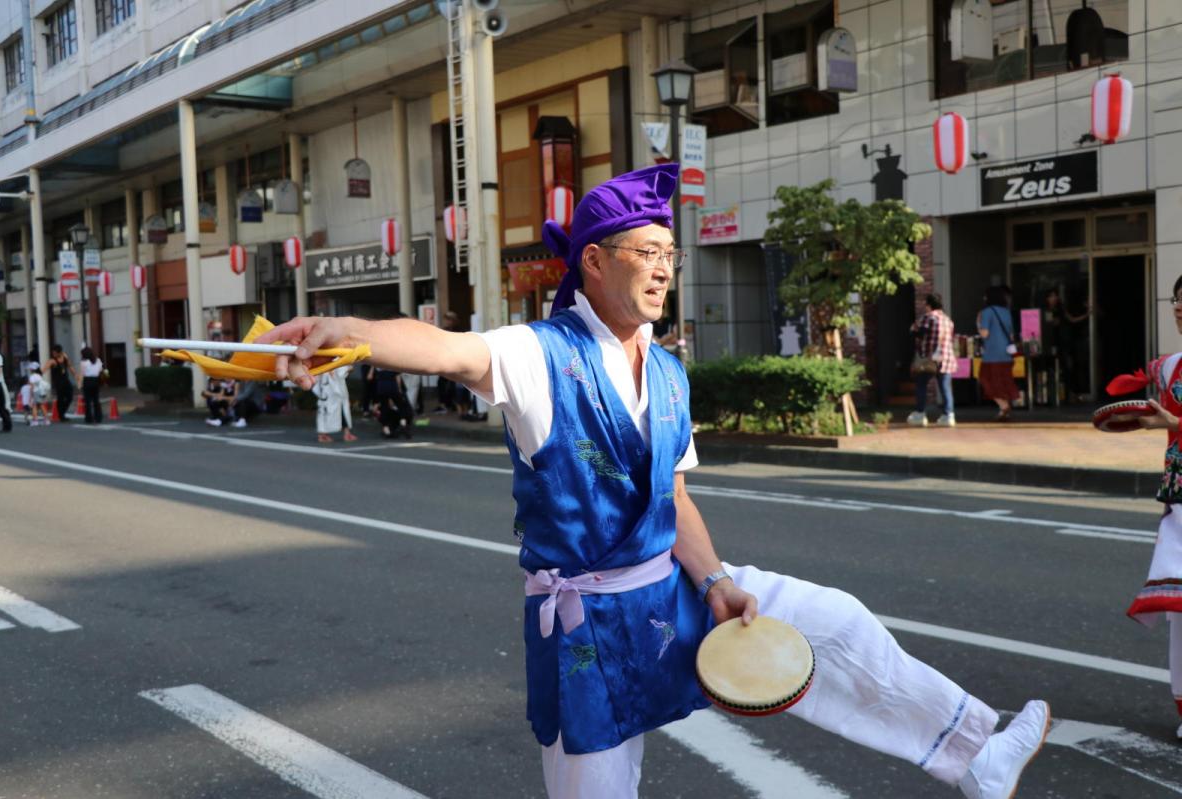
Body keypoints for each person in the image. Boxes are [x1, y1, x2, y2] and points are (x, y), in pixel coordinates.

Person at [257, 164, 1050, 799]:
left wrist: (716, 582)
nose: (665, 270)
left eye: (672, 255)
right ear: (595, 261)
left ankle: (973, 750)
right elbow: (445, 347)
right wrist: (349, 331)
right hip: (588, 625)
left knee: (835, 624)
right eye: (649, 252)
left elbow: (672, 495)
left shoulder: (668, 371)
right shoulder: (541, 353)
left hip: (672, 589)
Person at [1123, 274, 1182, 741]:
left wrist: (1173, 421)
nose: (1180, 308)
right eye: (1177, 300)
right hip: (1179, 499)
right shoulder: (1167, 369)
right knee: (1180, 617)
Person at [908, 293, 957, 427]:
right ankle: (949, 415)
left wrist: (912, 330)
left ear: (928, 305)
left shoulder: (928, 318)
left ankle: (920, 414)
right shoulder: (948, 320)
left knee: (921, 384)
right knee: (945, 387)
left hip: (929, 359)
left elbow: (920, 333)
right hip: (946, 357)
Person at [976, 286, 1021, 422]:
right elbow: (1011, 334)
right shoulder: (1006, 312)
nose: (984, 298)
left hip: (992, 354)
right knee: (1003, 381)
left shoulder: (986, 312)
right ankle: (1003, 410)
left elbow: (985, 333)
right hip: (1006, 354)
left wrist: (978, 323)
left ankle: (1004, 405)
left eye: (985, 296)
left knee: (986, 378)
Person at [1041, 289, 1089, 403]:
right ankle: (1054, 395)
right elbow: (1046, 325)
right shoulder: (1045, 311)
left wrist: (1087, 315)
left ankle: (1070, 394)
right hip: (1051, 342)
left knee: (1068, 367)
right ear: (1046, 299)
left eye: (1055, 296)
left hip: (1065, 342)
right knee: (1052, 368)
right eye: (1051, 296)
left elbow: (1072, 319)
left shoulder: (1061, 309)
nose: (1053, 298)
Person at [313, 364, 357, 443]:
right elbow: (340, 373)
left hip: (327, 389)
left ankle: (345, 433)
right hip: (331, 390)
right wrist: (349, 368)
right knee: (329, 411)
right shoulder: (335, 359)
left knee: (329, 411)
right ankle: (323, 434)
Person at [369, 366, 413, 439]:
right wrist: (399, 389)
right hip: (392, 385)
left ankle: (387, 431)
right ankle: (403, 423)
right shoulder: (391, 364)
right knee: (401, 405)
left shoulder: (378, 364)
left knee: (384, 408)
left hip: (381, 386)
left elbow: (372, 375)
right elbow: (397, 377)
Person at [47, 344, 79, 422]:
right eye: (53, 352)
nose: (53, 354)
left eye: (55, 352)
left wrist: (75, 374)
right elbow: (44, 368)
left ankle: (62, 412)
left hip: (65, 380)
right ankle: (61, 415)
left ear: (59, 352)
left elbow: (70, 366)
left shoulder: (65, 357)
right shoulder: (52, 360)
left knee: (70, 396)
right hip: (58, 382)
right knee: (60, 398)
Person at [79, 346, 104, 424]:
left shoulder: (83, 362)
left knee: (87, 401)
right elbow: (101, 370)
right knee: (96, 400)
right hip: (96, 381)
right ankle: (98, 417)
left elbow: (82, 374)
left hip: (87, 381)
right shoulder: (98, 360)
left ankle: (89, 418)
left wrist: (79, 384)